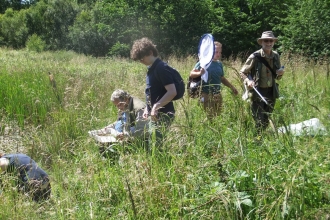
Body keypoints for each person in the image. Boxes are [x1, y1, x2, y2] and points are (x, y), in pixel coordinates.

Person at [130, 38, 177, 146]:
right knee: (154, 143)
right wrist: (148, 108)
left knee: (157, 146)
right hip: (155, 114)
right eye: (139, 59)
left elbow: (172, 91)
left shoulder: (161, 68)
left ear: (150, 53)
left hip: (164, 114)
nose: (141, 61)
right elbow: (155, 92)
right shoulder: (152, 68)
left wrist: (155, 107)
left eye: (142, 58)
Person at [240, 31, 284, 136]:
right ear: (261, 42)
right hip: (258, 91)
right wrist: (248, 81)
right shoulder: (255, 56)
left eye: (271, 41)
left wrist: (280, 73)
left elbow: (277, 77)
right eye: (266, 41)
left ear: (273, 42)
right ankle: (256, 139)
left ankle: (262, 137)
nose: (268, 43)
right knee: (258, 119)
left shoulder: (276, 56)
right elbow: (243, 72)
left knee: (266, 118)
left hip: (271, 91)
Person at [189, 41, 238, 119]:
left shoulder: (219, 64)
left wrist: (232, 87)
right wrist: (200, 73)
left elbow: (222, 78)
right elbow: (191, 74)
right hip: (206, 94)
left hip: (217, 94)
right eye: (216, 52)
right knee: (210, 118)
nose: (218, 54)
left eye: (220, 52)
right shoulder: (203, 62)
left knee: (218, 117)